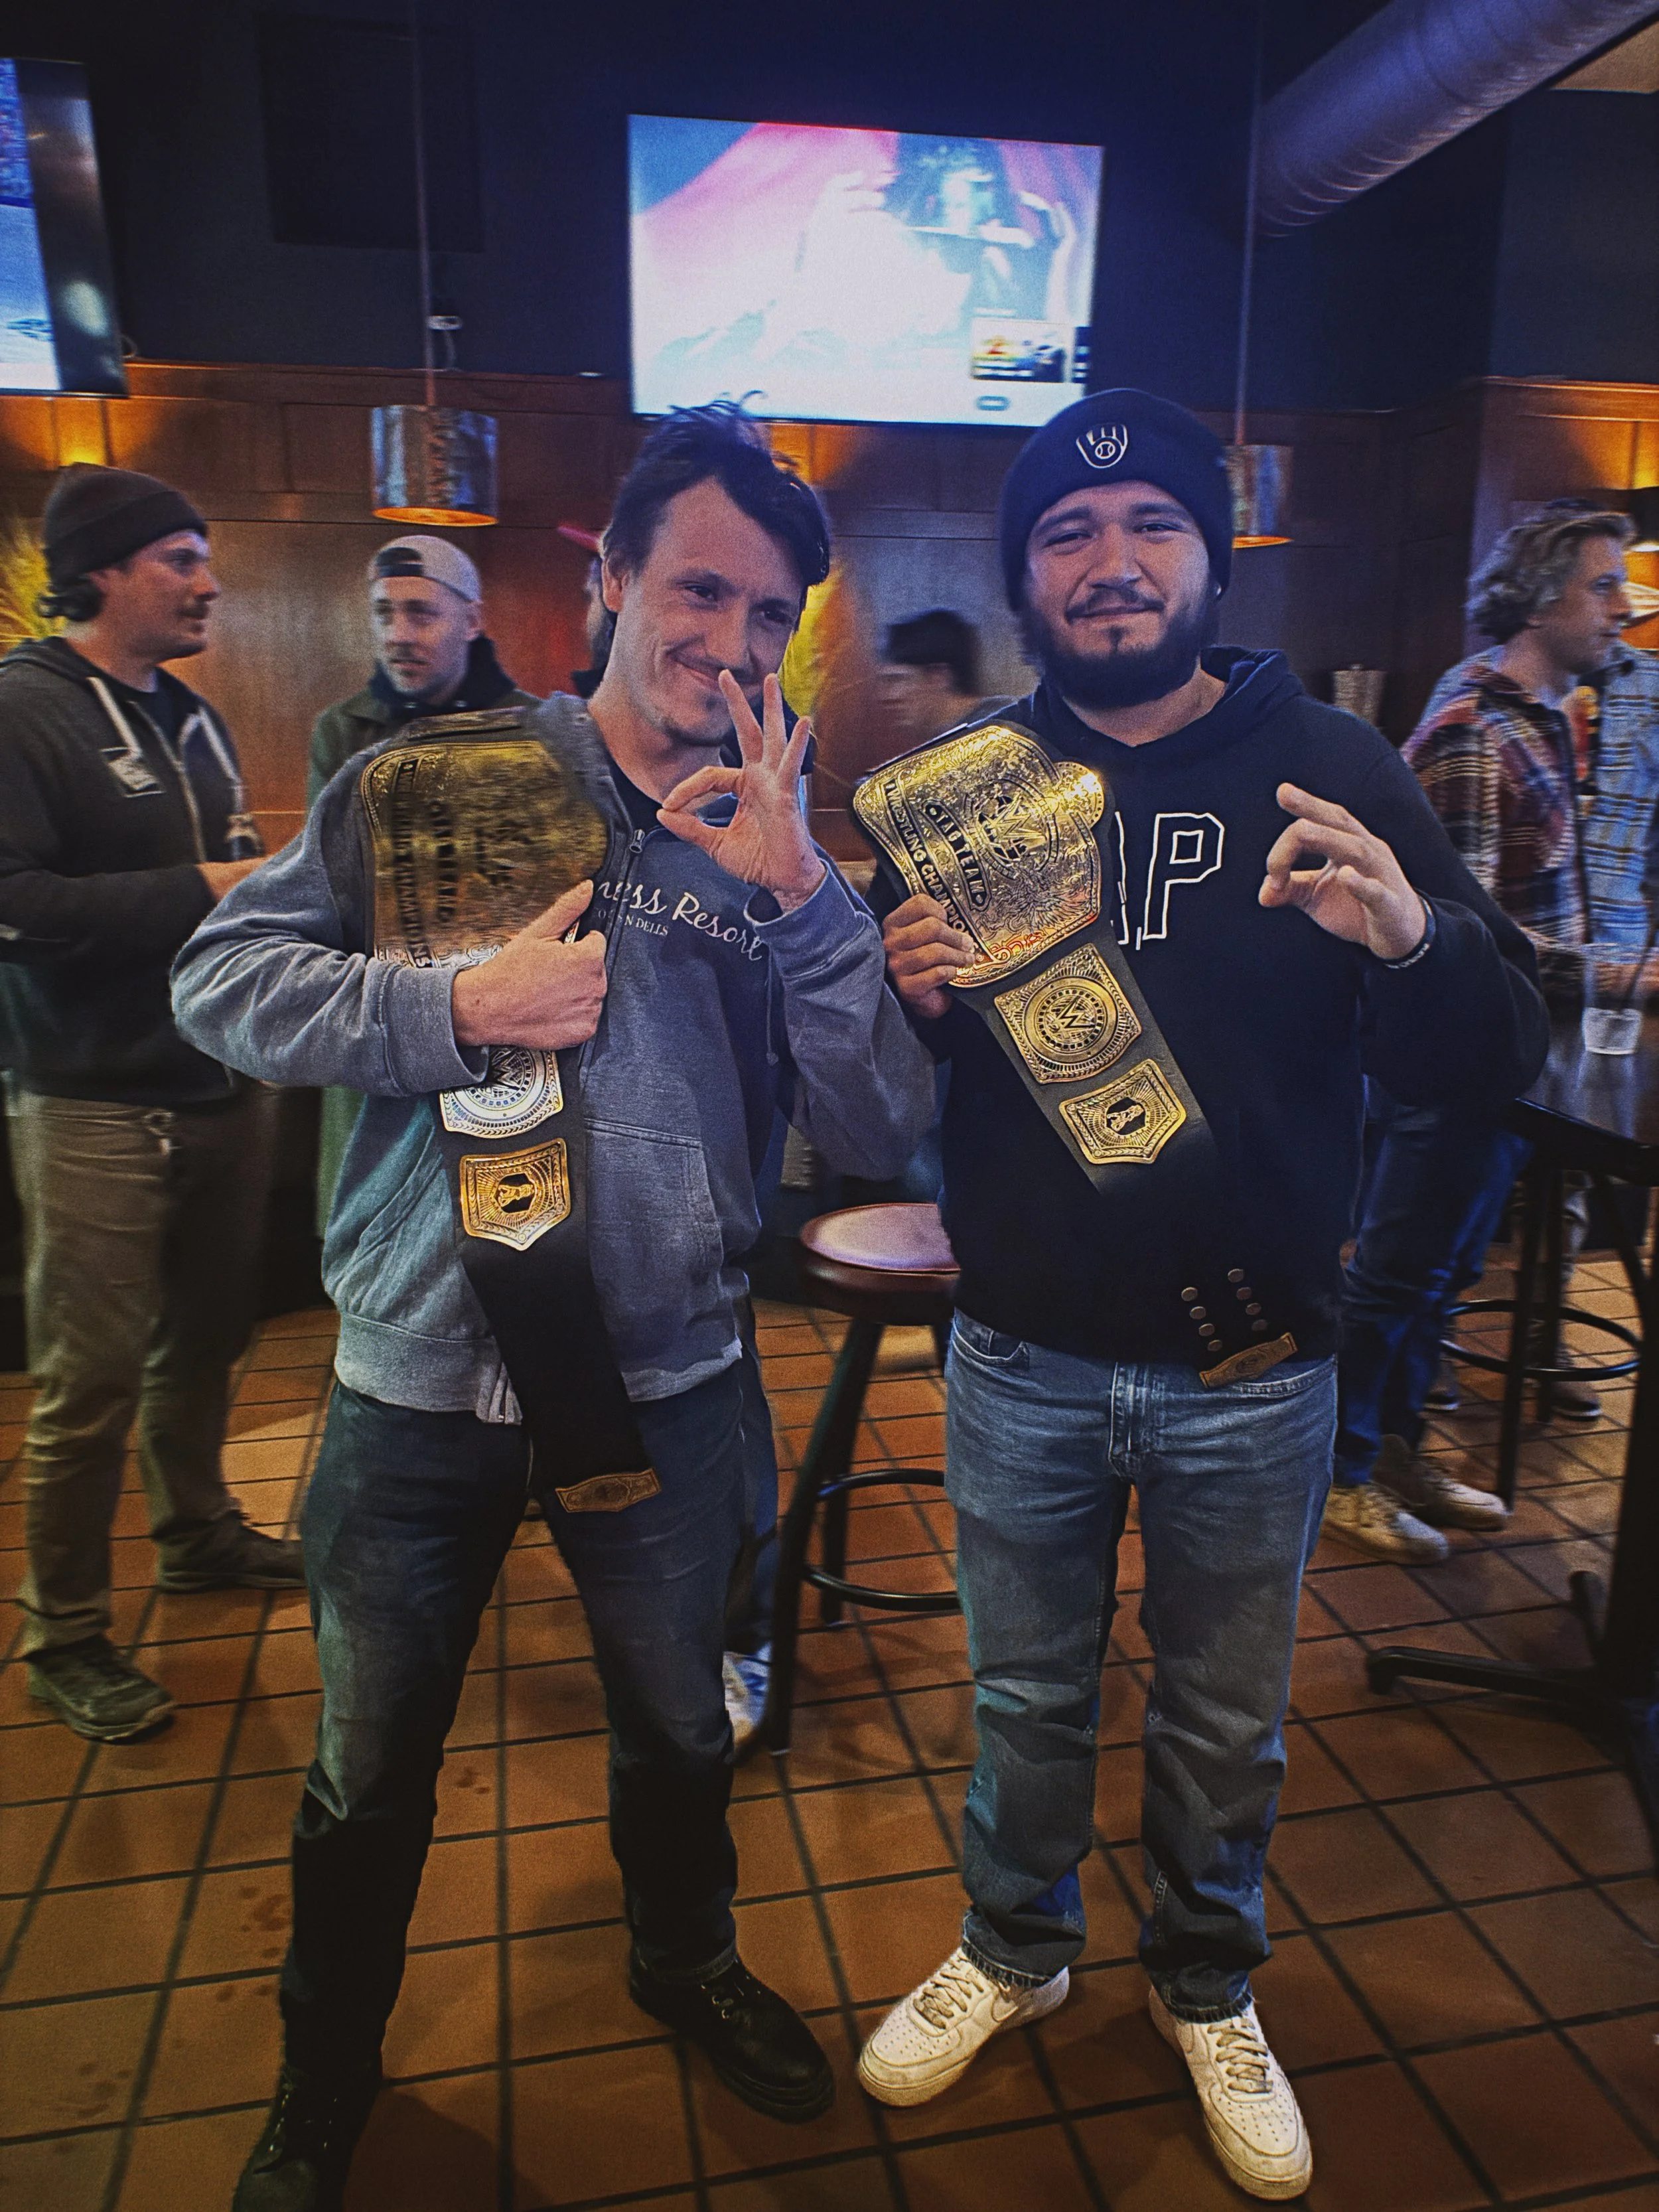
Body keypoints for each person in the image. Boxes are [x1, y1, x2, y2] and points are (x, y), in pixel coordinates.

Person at [172, 402, 934, 2211]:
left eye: (765, 617)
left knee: (681, 1727)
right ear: (606, 578)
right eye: (695, 589)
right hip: (418, 1389)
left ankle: (680, 1955)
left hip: (671, 1389)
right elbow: (225, 981)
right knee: (370, 1765)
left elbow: (890, 1126)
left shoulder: (774, 834)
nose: (726, 644)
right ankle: (324, 2072)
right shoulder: (435, 786)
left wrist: (812, 902)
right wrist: (451, 1011)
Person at [857, 390, 1546, 2199]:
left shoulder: (1325, 755)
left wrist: (1406, 937)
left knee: (1226, 1716)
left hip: (1255, 1359)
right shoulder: (960, 794)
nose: (1109, 563)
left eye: (1149, 525)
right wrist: (902, 995)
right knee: (1022, 1694)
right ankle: (1015, 1944)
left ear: (1204, 553)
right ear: (1022, 574)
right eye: (1069, 538)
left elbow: (1489, 1048)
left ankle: (1202, 1976)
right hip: (1020, 1352)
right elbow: (859, 1098)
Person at [0, 463, 303, 1743]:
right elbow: (19, 907)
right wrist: (208, 883)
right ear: (107, 571)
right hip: (94, 1104)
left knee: (207, 1344)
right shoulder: (22, 710)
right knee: (91, 1381)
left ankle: (196, 1538)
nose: (206, 582)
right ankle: (64, 1629)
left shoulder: (188, 714)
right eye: (180, 557)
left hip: (220, 1086)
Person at [1327, 504, 1644, 1560]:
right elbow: (1473, 934)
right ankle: (1341, 1470)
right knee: (1396, 1272)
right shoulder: (1475, 732)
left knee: (1447, 1268)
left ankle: (1399, 1445)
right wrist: (1623, 978)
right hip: (1454, 1058)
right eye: (1605, 586)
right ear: (1546, 596)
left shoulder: (1550, 716)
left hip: (1513, 1057)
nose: (1626, 608)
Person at [305, 536, 539, 1230]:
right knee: (372, 1234)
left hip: (500, 1037)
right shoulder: (341, 731)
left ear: (472, 620)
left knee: (502, 1233)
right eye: (383, 614)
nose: (397, 635)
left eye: (420, 614)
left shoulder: (537, 728)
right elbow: (337, 889)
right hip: (380, 1022)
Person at [876, 608, 997, 749]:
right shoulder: (958, 744)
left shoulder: (994, 742)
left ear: (938, 677)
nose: (887, 697)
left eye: (898, 679)